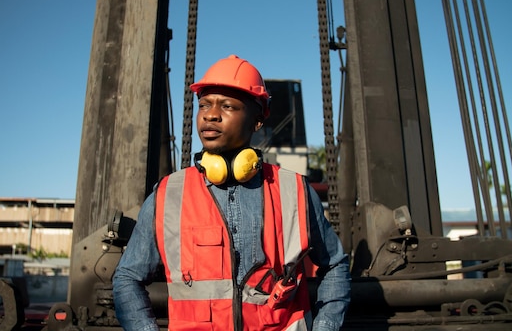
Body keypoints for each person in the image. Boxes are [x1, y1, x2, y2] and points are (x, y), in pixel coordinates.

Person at [113, 54, 351, 330]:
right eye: (204, 105)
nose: (210, 114)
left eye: (227, 106)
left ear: (258, 120)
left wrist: (324, 327)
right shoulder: (169, 195)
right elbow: (128, 277)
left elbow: (335, 265)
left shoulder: (293, 190)